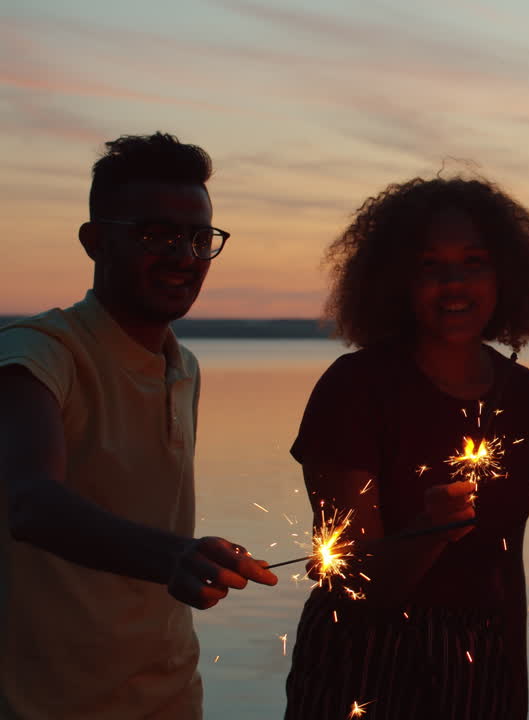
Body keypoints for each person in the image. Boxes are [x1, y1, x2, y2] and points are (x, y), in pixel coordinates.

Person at [0, 132, 278, 718]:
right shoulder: (37, 355)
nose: (184, 256)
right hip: (47, 703)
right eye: (157, 235)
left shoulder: (184, 366)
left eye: (201, 239)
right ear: (95, 241)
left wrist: (196, 558)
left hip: (170, 696)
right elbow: (29, 501)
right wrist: (173, 556)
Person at [283, 175, 529, 719]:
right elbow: (354, 582)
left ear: (505, 274)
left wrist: (513, 688)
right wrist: (429, 533)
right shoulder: (355, 387)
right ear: (397, 280)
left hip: (481, 660)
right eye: (430, 266)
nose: (454, 284)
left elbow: (506, 568)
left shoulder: (524, 393)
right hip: (364, 662)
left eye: (475, 261)